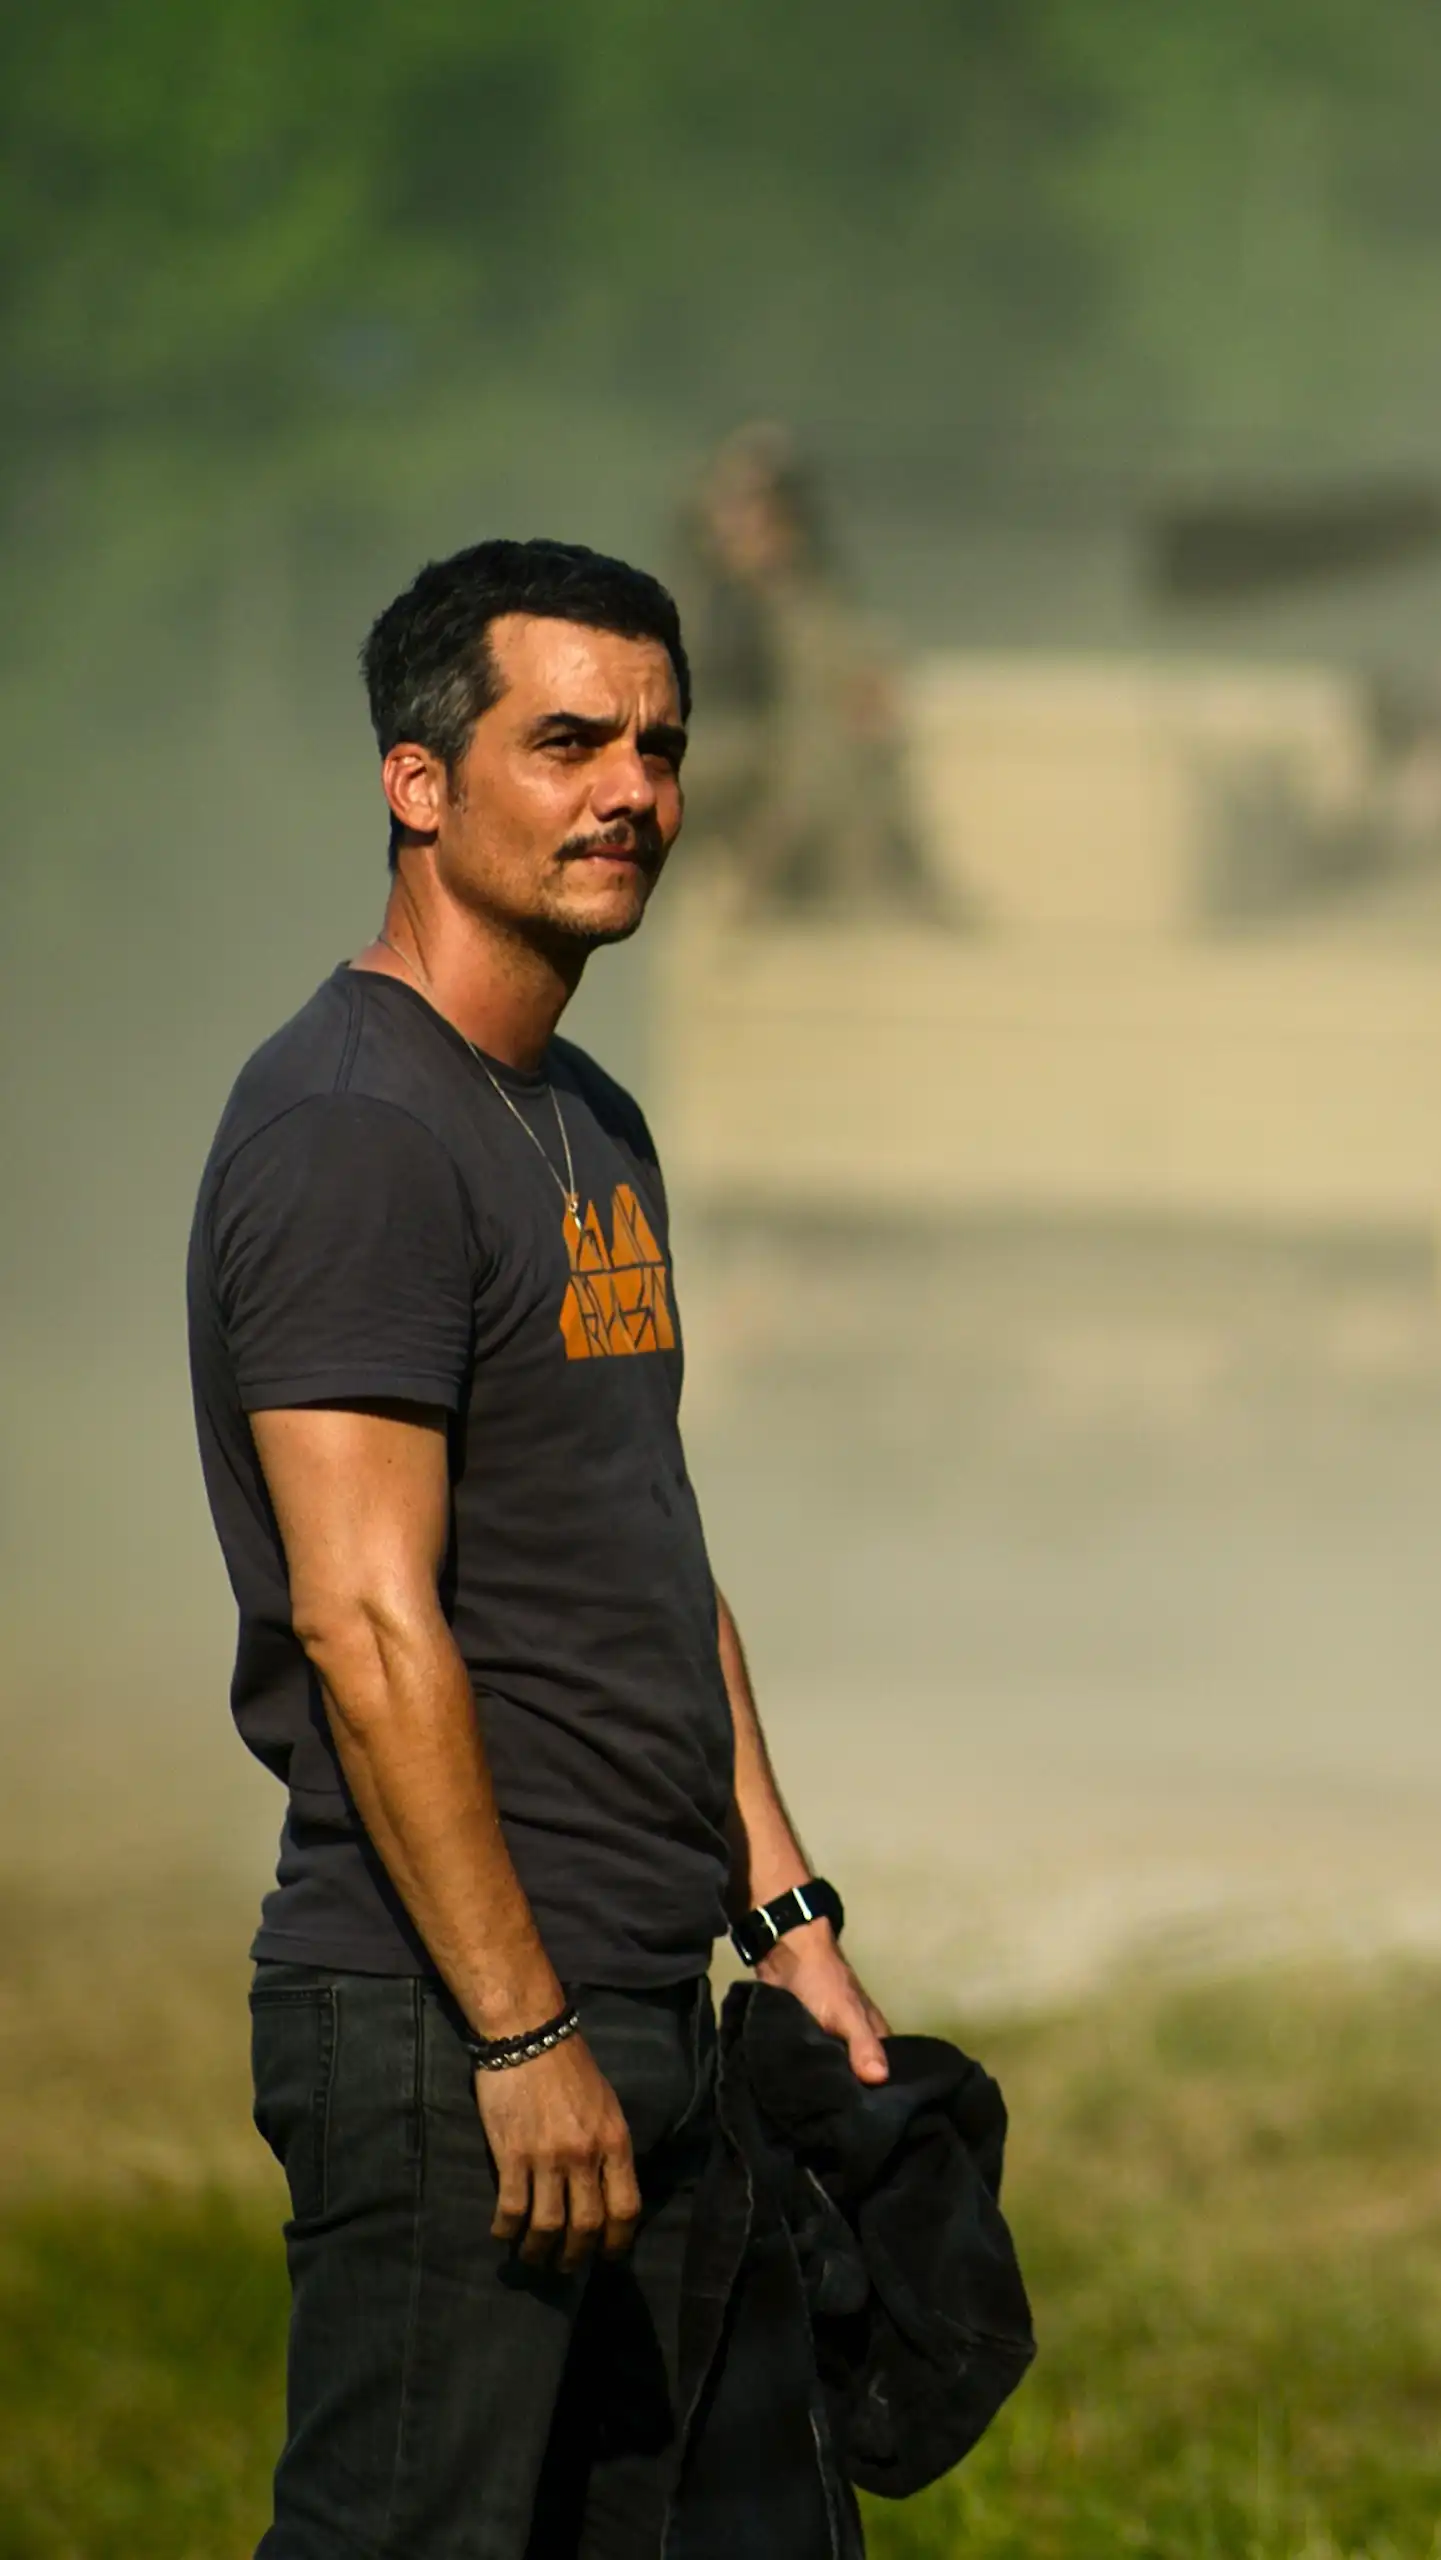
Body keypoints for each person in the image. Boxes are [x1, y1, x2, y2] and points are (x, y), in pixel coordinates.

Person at [187, 538, 892, 2557]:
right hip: (450, 2023)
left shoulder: (583, 1115)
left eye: (660, 746)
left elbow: (646, 1536)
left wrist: (786, 1901)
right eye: (567, 738)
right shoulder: (352, 1131)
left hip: (636, 2001)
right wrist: (519, 2031)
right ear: (418, 781)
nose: (633, 791)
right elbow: (363, 1614)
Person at [683, 421, 959, 921]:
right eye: (726, 502)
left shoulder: (811, 611)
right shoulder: (697, 598)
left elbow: (823, 737)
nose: (730, 521)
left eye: (752, 507)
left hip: (796, 803)